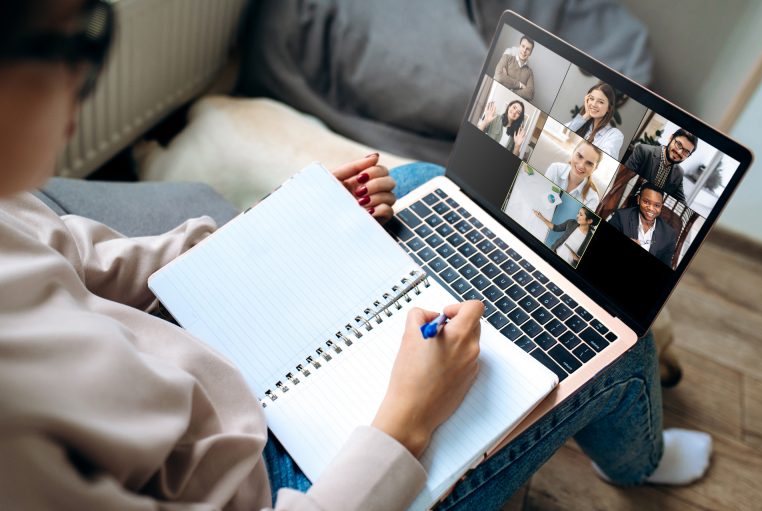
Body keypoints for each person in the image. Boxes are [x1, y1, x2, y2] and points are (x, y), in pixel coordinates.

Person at [0, 1, 712, 509]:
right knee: (614, 326)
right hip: (287, 483)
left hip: (207, 370)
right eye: (75, 41)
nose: (79, 79)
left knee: (422, 186)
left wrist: (285, 223)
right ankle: (634, 462)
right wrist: (407, 418)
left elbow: (104, 264)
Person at [608, 182, 677, 266]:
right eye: (646, 202)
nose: (651, 208)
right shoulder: (621, 217)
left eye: (656, 205)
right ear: (638, 199)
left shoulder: (669, 235)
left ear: (661, 206)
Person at [624, 129, 697, 204]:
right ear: (671, 138)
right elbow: (623, 180)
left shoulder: (679, 173)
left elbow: (681, 202)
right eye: (679, 145)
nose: (679, 152)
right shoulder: (643, 151)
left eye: (686, 152)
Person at [565, 82, 624, 159]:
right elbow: (565, 132)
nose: (594, 104)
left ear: (609, 108)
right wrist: (586, 115)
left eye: (600, 102)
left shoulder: (615, 135)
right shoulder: (583, 123)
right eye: (591, 99)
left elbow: (604, 159)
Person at [544, 141, 602, 210]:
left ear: (595, 168)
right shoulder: (555, 169)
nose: (581, 165)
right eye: (580, 156)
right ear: (573, 153)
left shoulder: (592, 198)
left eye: (589, 163)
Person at [533, 207, 598, 267]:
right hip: (553, 255)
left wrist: (578, 260)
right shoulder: (571, 223)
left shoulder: (590, 239)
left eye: (580, 215)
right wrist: (541, 217)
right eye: (578, 213)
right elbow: (555, 228)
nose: (577, 216)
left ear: (589, 221)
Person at [493, 35, 535, 101]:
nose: (524, 51)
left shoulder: (529, 72)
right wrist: (520, 85)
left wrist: (510, 88)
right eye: (523, 46)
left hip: (514, 101)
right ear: (519, 46)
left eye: (528, 49)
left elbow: (530, 94)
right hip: (498, 95)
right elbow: (498, 76)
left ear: (531, 53)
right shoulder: (506, 57)